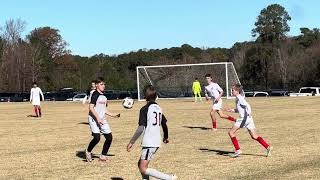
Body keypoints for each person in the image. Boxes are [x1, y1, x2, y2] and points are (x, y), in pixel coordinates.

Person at [127, 85, 177, 180]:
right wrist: (165, 137)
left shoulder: (144, 109)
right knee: (140, 164)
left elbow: (141, 128)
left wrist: (131, 142)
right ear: (155, 96)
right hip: (155, 141)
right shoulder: (158, 108)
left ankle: (169, 178)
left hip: (150, 142)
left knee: (143, 168)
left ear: (144, 96)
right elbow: (164, 124)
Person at [225, 84, 272, 158]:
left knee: (231, 132)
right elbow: (241, 109)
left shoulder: (240, 98)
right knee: (254, 136)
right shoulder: (238, 98)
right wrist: (231, 110)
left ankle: (238, 150)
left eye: (232, 90)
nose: (231, 91)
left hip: (244, 118)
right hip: (249, 119)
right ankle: (268, 147)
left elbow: (247, 106)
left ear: (237, 91)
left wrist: (249, 112)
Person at [85, 77, 120, 162]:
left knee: (109, 138)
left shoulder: (104, 97)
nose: (103, 86)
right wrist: (98, 118)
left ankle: (103, 156)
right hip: (94, 119)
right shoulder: (95, 94)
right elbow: (91, 108)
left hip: (102, 119)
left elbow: (104, 110)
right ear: (96, 85)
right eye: (101, 84)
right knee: (97, 138)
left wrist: (113, 115)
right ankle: (88, 151)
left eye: (104, 84)